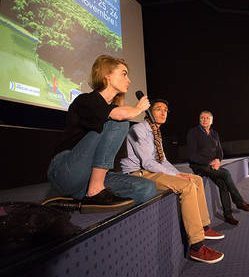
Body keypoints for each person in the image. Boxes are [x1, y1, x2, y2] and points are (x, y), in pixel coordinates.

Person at [45, 55, 157, 211]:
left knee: (147, 188)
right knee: (120, 122)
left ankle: (78, 198)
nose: (129, 80)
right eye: (124, 74)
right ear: (107, 76)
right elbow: (118, 115)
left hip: (88, 177)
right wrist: (138, 109)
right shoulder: (85, 100)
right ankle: (95, 190)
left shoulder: (113, 109)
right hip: (66, 169)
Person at [120, 100, 224, 264]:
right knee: (187, 185)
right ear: (148, 112)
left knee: (194, 178)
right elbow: (147, 163)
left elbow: (163, 161)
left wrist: (177, 173)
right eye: (158, 109)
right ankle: (196, 247)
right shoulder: (139, 129)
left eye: (166, 110)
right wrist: (178, 177)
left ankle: (203, 227)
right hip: (138, 175)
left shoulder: (156, 132)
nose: (163, 113)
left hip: (151, 171)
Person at [187, 111, 249, 225]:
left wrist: (218, 160)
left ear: (211, 121)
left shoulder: (214, 134)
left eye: (207, 118)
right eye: (202, 118)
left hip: (213, 165)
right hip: (199, 165)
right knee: (226, 173)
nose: (204, 120)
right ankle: (239, 202)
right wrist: (209, 162)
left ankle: (228, 216)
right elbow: (192, 155)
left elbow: (219, 152)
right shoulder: (193, 132)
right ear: (199, 120)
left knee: (223, 185)